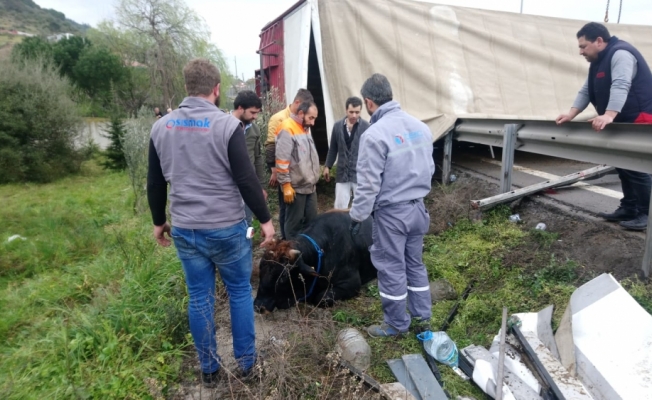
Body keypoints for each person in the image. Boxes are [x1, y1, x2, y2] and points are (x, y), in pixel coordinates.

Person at [147, 58, 275, 388]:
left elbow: (155, 182)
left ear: (187, 86)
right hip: (228, 229)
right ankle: (247, 364)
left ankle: (208, 370)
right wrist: (265, 220)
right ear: (217, 90)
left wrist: (159, 221)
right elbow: (247, 180)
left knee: (200, 297)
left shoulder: (161, 128)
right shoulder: (226, 126)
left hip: (187, 230)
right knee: (239, 293)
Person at [349, 74, 434, 338]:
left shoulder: (374, 135)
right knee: (415, 265)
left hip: (392, 214)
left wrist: (357, 216)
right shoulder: (421, 127)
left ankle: (396, 324)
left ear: (368, 102)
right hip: (418, 209)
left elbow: (368, 184)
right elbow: (429, 169)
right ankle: (422, 317)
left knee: (391, 268)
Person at [556, 22, 652, 231]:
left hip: (639, 118)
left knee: (637, 167)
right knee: (623, 164)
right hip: (622, 118)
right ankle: (629, 208)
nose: (580, 51)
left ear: (599, 41)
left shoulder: (621, 54)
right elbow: (587, 90)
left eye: (583, 46)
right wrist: (571, 114)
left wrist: (608, 115)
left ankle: (647, 214)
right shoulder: (598, 61)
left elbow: (621, 84)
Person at [265, 89, 314, 239]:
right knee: (286, 211)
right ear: (298, 103)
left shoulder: (303, 123)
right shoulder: (279, 119)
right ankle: (286, 241)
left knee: (296, 214)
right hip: (287, 176)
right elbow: (271, 147)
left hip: (302, 178)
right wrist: (275, 172)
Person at [275, 101, 320, 239]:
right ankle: (291, 254)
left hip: (310, 186)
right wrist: (286, 185)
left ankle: (307, 252)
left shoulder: (305, 127)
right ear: (301, 113)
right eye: (311, 118)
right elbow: (281, 160)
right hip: (295, 188)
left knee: (312, 223)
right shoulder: (287, 128)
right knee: (293, 225)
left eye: (314, 119)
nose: (313, 123)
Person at [324, 96, 370, 209]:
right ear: (346, 110)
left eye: (357, 112)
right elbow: (333, 149)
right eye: (351, 112)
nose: (354, 115)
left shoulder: (366, 127)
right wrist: (327, 166)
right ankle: (341, 227)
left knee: (361, 208)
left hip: (359, 174)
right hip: (342, 174)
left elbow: (370, 151)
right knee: (340, 207)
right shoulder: (337, 126)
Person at [232, 90, 267, 228]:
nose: (255, 116)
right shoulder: (223, 127)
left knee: (247, 222)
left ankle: (247, 248)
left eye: (257, 113)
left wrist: (261, 186)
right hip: (228, 187)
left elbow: (258, 158)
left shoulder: (255, 130)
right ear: (240, 108)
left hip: (248, 185)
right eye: (253, 113)